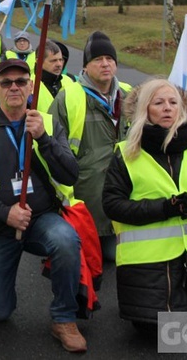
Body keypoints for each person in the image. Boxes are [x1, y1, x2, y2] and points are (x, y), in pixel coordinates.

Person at [0, 59, 87, 353]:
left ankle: (64, 318)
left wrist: (44, 139)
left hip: (41, 217)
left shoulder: (48, 123)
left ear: (30, 87)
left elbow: (70, 174)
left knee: (66, 240)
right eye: (6, 82)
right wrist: (5, 213)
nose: (14, 87)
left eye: (20, 81)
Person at [102, 78, 187, 335]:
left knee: (180, 332)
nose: (167, 108)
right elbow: (113, 205)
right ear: (145, 110)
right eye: (158, 102)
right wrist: (165, 208)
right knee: (149, 332)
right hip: (143, 266)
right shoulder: (126, 154)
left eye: (173, 102)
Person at [49, 31, 131, 262]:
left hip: (125, 191)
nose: (105, 64)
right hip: (85, 196)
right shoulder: (69, 97)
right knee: (92, 261)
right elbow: (51, 150)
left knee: (119, 256)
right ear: (85, 66)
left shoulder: (129, 94)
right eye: (98, 60)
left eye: (110, 59)